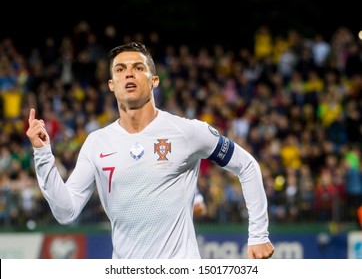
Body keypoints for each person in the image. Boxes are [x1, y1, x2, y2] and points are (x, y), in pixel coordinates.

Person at [26, 42, 274, 259]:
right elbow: (66, 212)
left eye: (138, 67)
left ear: (154, 80)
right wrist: (43, 154)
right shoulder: (97, 143)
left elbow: (247, 165)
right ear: (111, 85)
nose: (129, 74)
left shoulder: (187, 131)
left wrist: (258, 234)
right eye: (120, 70)